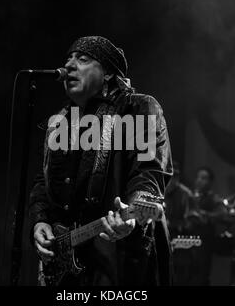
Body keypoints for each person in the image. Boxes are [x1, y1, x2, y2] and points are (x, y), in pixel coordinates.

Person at [28, 36, 173, 286]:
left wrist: (134, 210)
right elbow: (44, 181)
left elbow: (148, 172)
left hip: (119, 258)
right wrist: (40, 221)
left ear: (107, 73)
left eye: (83, 59)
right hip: (67, 268)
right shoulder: (61, 122)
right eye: (68, 59)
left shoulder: (138, 108)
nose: (70, 65)